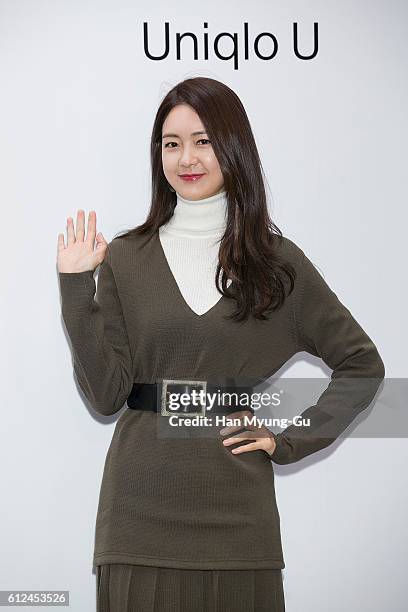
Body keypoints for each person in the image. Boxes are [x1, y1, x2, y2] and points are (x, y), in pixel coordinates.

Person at [56, 77, 385, 611]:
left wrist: (289, 438)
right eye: (171, 143)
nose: (186, 157)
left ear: (234, 146)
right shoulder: (126, 256)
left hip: (239, 520)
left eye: (203, 140)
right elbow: (104, 396)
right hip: (138, 517)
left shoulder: (278, 264)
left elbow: (362, 366)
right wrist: (76, 289)